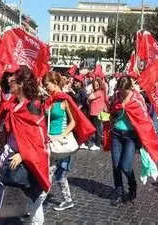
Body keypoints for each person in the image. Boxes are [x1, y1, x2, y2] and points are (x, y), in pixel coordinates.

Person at [0, 66, 51, 225]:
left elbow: (39, 139)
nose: (9, 82)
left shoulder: (32, 107)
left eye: (14, 81)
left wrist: (23, 154)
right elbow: (10, 130)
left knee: (34, 200)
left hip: (28, 162)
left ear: (21, 84)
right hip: (8, 157)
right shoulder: (13, 104)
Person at [43, 71, 95, 211]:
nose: (46, 87)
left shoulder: (64, 99)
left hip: (63, 143)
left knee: (54, 173)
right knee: (49, 172)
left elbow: (73, 122)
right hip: (51, 142)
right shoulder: (50, 100)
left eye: (47, 85)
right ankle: (65, 200)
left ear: (54, 83)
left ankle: (37, 202)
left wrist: (62, 135)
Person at [109, 76, 158, 206]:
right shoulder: (116, 96)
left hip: (130, 136)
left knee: (125, 166)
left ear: (129, 88)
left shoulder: (137, 99)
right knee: (116, 165)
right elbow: (112, 110)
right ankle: (119, 191)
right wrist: (110, 115)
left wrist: (147, 136)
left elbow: (145, 118)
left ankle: (132, 187)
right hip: (116, 133)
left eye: (124, 91)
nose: (121, 93)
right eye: (119, 90)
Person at [88, 78, 108, 151]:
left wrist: (90, 95)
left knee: (97, 129)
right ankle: (97, 142)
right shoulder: (98, 91)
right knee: (97, 128)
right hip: (94, 112)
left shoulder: (99, 92)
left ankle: (97, 144)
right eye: (94, 84)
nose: (95, 85)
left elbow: (90, 97)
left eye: (97, 84)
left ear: (99, 84)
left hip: (96, 113)